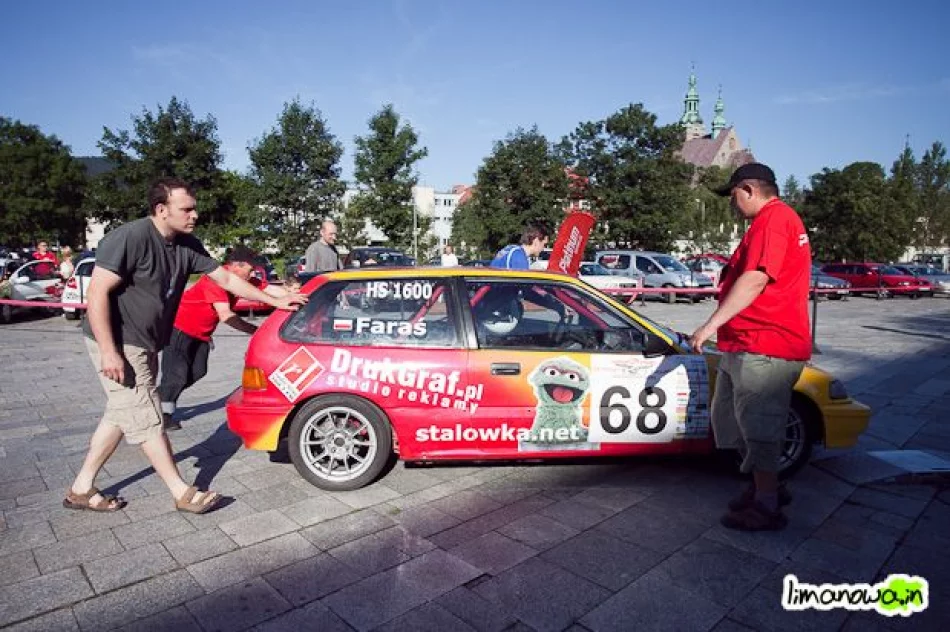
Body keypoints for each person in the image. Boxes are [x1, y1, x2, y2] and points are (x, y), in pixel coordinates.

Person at [65, 177, 306, 515]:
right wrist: (109, 351)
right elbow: (97, 293)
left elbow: (226, 279)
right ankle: (181, 491)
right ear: (161, 210)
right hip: (118, 340)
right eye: (187, 209)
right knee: (147, 415)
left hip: (147, 341)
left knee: (120, 414)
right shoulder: (129, 238)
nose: (195, 215)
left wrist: (273, 298)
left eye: (195, 208)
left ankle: (81, 487)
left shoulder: (187, 244)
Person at [689, 163, 812, 532]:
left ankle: (767, 504)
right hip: (744, 343)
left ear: (747, 189)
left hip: (766, 344)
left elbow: (756, 277)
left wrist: (710, 324)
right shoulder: (770, 222)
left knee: (758, 426)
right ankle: (764, 485)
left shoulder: (774, 220)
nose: (732, 203)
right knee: (728, 421)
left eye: (732, 196)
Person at [158, 245, 294, 431]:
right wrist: (257, 331)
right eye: (250, 268)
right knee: (177, 375)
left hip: (201, 333)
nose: (253, 272)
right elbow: (226, 315)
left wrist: (297, 296)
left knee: (198, 371)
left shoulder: (241, 280)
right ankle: (162, 414)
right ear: (236, 266)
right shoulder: (215, 280)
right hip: (180, 329)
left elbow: (270, 289)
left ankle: (158, 398)